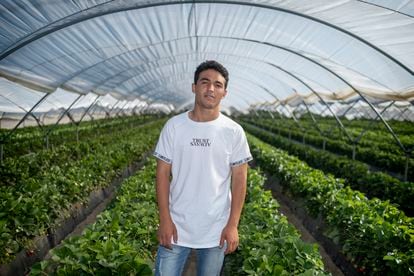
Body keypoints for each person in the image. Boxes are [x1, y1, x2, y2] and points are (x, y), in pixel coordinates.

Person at [153, 60, 252, 276]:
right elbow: (162, 174)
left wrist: (232, 225)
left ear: (225, 92)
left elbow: (240, 180)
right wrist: (165, 220)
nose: (210, 89)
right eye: (205, 82)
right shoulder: (174, 126)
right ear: (194, 87)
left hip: (216, 229)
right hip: (176, 225)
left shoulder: (233, 131)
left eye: (218, 85)